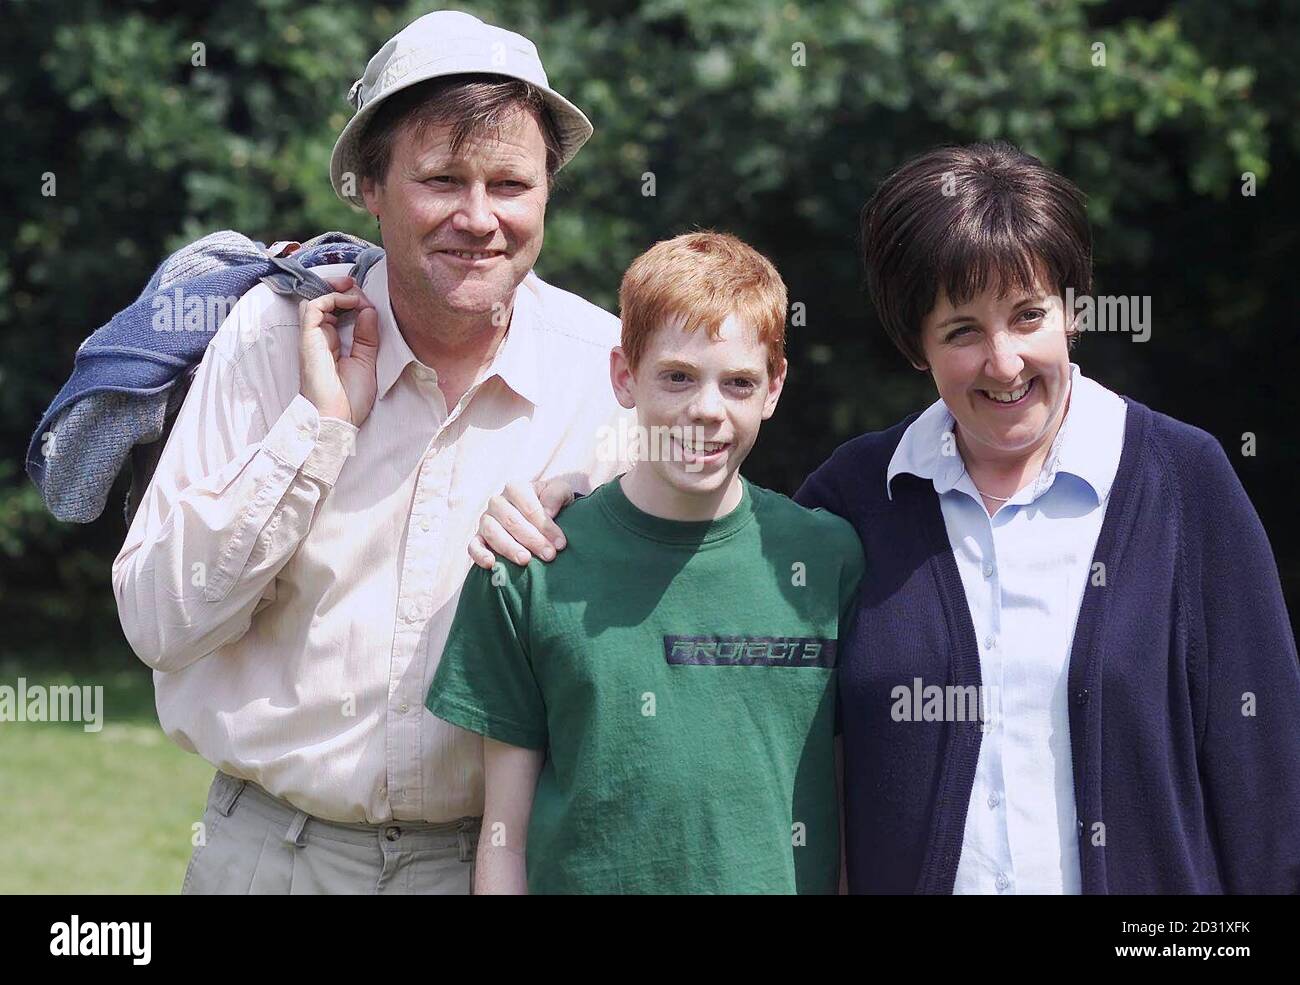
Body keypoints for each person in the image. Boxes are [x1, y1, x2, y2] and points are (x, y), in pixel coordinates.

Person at [474, 142, 1300, 894]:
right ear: (917, 344)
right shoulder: (857, 500)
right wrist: (575, 488)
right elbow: (707, 545)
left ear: (1074, 311)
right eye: (962, 330)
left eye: (1028, 315)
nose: (1004, 361)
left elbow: (1265, 779)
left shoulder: (1183, 483)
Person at [112, 10, 633, 895]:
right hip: (269, 857)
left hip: (495, 864)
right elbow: (163, 624)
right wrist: (316, 432)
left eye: (511, 183)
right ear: (370, 188)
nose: (479, 218)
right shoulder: (270, 338)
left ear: (548, 190)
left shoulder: (612, 372)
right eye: (441, 180)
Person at [426, 232, 865, 893]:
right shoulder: (528, 565)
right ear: (624, 377)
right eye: (678, 377)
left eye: (739, 382)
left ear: (773, 388)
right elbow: (503, 836)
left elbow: (851, 811)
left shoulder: (825, 560)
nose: (706, 410)